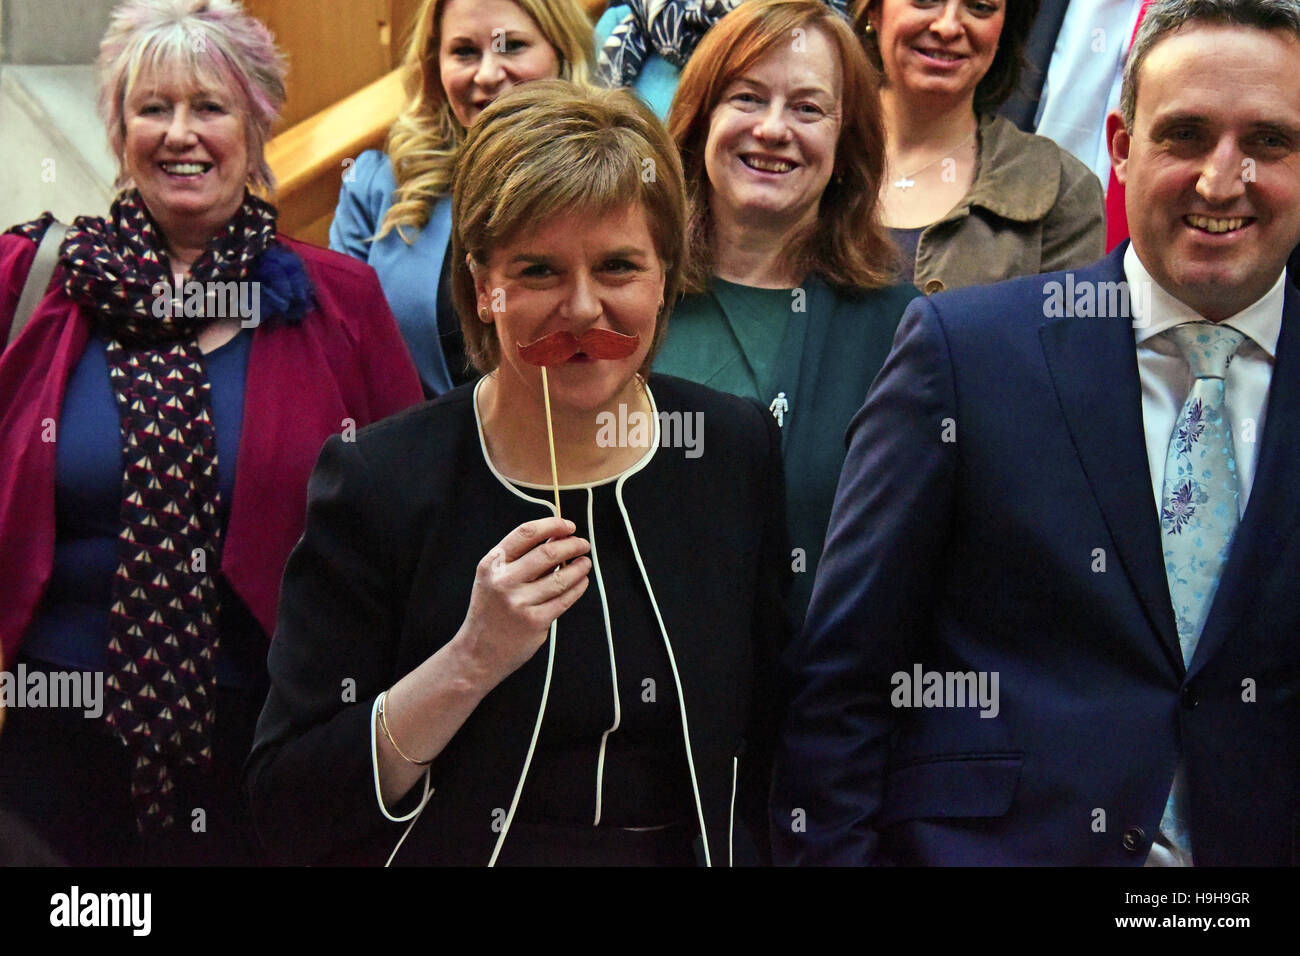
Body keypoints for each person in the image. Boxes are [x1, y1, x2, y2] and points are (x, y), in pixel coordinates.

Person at [773, 0, 1300, 866]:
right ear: (1123, 146)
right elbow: (843, 684)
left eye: (1270, 143)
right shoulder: (970, 356)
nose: (1221, 179)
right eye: (1187, 136)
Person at [247, 80, 790, 867]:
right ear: (481, 286)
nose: (581, 310)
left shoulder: (730, 450)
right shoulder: (382, 482)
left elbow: (772, 730)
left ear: (665, 275)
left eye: (617, 267)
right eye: (537, 271)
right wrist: (470, 660)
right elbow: (289, 802)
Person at [0, 0, 422, 866]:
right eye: (152, 108)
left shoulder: (343, 303)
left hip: (270, 742)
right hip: (51, 740)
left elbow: (410, 524)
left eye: (211, 107)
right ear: (118, 130)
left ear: (259, 123)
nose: (179, 133)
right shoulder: (31, 281)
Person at [654, 0, 918, 626]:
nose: (773, 129)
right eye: (746, 97)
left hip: (815, 703)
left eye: (808, 108)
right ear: (700, 118)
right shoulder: (629, 296)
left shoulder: (900, 330)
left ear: (845, 140)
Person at [330, 0, 596, 396]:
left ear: (561, 51)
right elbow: (341, 353)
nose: (488, 74)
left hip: (578, 445)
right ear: (435, 66)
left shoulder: (617, 179)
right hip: (423, 449)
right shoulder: (374, 185)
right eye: (465, 52)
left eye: (512, 46)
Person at [852, 0, 1106, 292]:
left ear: (1004, 30)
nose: (948, 27)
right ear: (873, 10)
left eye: (980, 7)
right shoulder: (805, 145)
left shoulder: (1062, 189)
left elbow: (1064, 335)